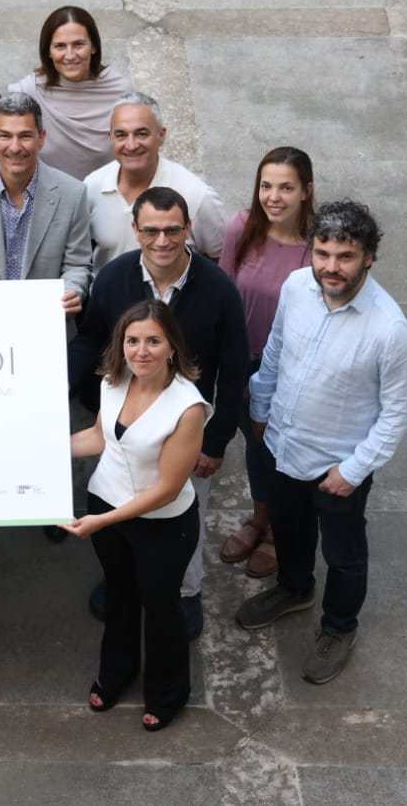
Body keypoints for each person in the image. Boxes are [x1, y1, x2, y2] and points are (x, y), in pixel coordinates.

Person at [234, 200, 407, 685]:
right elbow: (275, 349)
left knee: (344, 555)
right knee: (290, 531)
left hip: (337, 468)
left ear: (369, 258)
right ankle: (295, 589)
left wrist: (352, 471)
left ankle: (339, 627)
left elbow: (399, 411)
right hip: (282, 446)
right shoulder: (297, 286)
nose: (331, 267)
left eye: (345, 256)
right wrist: (260, 409)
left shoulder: (390, 330)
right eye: (322, 253)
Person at [68, 187, 248, 638]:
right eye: (151, 231)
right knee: (122, 501)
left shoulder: (219, 289)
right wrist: (65, 385)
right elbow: (91, 338)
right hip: (129, 418)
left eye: (172, 230)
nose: (162, 241)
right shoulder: (113, 278)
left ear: (188, 229)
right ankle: (124, 581)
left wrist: (216, 441)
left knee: (185, 514)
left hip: (187, 427)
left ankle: (185, 592)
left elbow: (234, 370)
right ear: (135, 230)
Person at [63, 300, 209, 732]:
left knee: (161, 606)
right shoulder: (113, 381)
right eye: (132, 340)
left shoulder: (188, 407)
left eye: (153, 341)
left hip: (164, 524)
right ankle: (118, 671)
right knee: (120, 595)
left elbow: (166, 490)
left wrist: (103, 522)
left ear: (172, 347)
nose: (141, 351)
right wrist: (41, 451)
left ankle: (168, 692)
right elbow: (98, 437)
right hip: (105, 503)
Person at [216, 147, 316, 580]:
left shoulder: (317, 248)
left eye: (286, 188)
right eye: (266, 186)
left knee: (281, 452)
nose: (274, 197)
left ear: (306, 191)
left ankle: (279, 531)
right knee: (255, 447)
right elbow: (224, 295)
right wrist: (231, 368)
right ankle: (260, 518)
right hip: (242, 361)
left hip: (289, 371)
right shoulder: (242, 226)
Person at [0, 92, 92, 313]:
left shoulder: (73, 193)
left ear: (42, 138)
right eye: (5, 136)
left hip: (47, 318)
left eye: (25, 136)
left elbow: (77, 265)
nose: (15, 147)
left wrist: (72, 292)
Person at [82, 91, 226, 267]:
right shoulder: (92, 187)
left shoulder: (196, 195)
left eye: (141, 134)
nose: (131, 145)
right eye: (121, 135)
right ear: (110, 137)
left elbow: (223, 260)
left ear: (161, 135)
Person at [6, 6, 133, 181]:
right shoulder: (28, 92)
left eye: (78, 44)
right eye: (60, 46)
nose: (70, 55)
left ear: (93, 47)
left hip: (106, 194)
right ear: (48, 52)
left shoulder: (121, 92)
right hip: (47, 194)